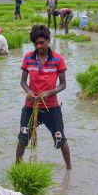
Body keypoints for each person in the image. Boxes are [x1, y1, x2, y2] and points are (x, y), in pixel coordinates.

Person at [16, 25, 71, 170]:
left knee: (60, 138)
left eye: (41, 43)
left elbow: (63, 84)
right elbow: (22, 81)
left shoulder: (58, 59)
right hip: (30, 106)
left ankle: (69, 170)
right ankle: (17, 169)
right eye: (35, 44)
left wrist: (49, 93)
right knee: (23, 138)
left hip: (51, 108)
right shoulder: (28, 58)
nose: (38, 46)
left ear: (48, 40)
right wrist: (29, 92)